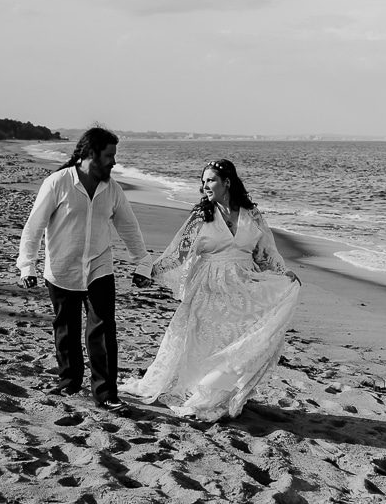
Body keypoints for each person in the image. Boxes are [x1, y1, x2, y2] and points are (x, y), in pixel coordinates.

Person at [121, 158, 301, 421]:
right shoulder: (200, 216)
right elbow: (178, 254)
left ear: (227, 182)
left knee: (236, 344)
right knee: (204, 343)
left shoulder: (252, 215)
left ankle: (218, 394)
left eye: (211, 180)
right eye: (203, 181)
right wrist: (151, 272)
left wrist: (283, 274)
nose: (205, 186)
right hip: (208, 288)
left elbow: (265, 253)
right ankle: (198, 391)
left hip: (244, 288)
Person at [17, 127, 152, 414]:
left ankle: (105, 394)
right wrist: (28, 264)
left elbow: (128, 226)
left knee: (103, 331)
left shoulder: (112, 189)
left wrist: (143, 262)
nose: (114, 162)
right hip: (62, 267)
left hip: (99, 268)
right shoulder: (58, 183)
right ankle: (69, 381)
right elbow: (34, 226)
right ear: (91, 153)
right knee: (66, 329)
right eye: (109, 156)